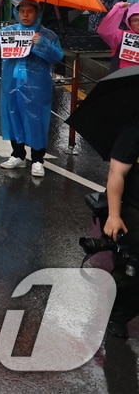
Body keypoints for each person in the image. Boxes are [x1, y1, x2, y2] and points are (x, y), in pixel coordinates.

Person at [0, 0, 65, 176]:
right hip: (11, 84)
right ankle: (18, 154)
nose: (25, 15)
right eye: (22, 11)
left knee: (36, 120)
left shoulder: (46, 35)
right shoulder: (9, 32)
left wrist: (41, 44)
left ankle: (37, 159)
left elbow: (57, 56)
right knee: (13, 117)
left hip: (36, 87)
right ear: (17, 13)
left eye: (30, 11)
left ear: (37, 13)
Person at [101, 118, 139, 340]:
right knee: (133, 270)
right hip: (134, 208)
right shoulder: (133, 129)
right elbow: (116, 173)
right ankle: (117, 315)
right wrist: (113, 215)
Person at [98, 1, 139, 71]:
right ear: (129, 22)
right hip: (122, 79)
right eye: (135, 20)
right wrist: (118, 9)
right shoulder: (121, 36)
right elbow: (105, 31)